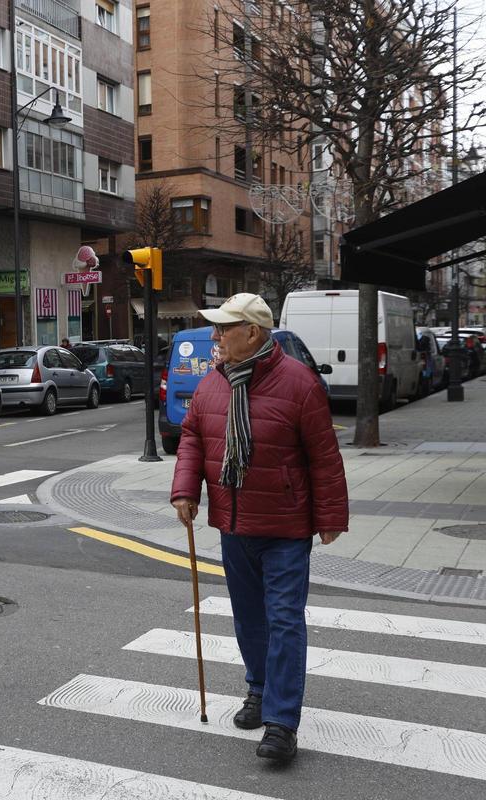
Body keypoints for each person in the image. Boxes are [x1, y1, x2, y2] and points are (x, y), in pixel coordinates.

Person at [169, 293, 348, 764]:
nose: (215, 336)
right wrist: (186, 489)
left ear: (252, 332)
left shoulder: (299, 382)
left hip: (286, 526)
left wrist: (330, 516)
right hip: (234, 523)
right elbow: (192, 435)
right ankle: (259, 690)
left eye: (224, 328)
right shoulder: (214, 383)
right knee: (249, 617)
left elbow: (324, 455)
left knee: (284, 620)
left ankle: (282, 722)